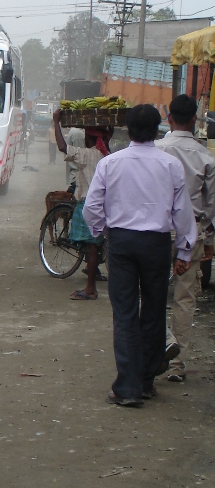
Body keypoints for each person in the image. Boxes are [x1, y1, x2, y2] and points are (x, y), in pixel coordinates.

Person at [83, 104, 197, 407]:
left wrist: (103, 230)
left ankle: (128, 387)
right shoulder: (170, 165)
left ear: (128, 130)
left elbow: (91, 208)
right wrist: (185, 249)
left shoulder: (111, 163)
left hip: (122, 242)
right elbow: (182, 213)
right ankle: (146, 382)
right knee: (154, 311)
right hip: (157, 244)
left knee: (125, 314)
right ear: (158, 129)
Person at [156, 94, 215, 382]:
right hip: (192, 234)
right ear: (195, 119)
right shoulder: (206, 156)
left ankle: (164, 341)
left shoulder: (156, 149)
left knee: (149, 292)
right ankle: (177, 366)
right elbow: (211, 203)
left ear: (169, 118)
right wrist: (210, 239)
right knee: (185, 298)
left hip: (157, 232)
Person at [52, 110, 112, 300]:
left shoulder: (86, 154)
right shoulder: (107, 155)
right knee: (96, 243)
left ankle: (90, 288)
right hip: (105, 205)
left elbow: (62, 147)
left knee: (90, 245)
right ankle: (93, 274)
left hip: (89, 204)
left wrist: (56, 123)